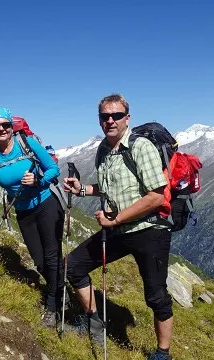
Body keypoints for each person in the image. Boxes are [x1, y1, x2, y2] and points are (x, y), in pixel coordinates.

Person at [63, 94, 174, 360]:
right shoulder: (103, 149)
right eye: (105, 116)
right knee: (74, 265)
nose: (110, 120)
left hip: (149, 231)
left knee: (156, 296)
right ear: (100, 119)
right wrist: (83, 190)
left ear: (127, 118)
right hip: (119, 228)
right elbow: (110, 188)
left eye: (116, 115)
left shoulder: (141, 147)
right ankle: (94, 323)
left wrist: (117, 218)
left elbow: (156, 196)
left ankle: (163, 353)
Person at [0, 107, 65, 328]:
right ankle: (61, 289)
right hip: (23, 210)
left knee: (52, 255)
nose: (1, 129)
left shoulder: (26, 143)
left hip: (46, 202)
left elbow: (54, 169)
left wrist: (38, 181)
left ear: (11, 127)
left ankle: (53, 304)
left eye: (5, 125)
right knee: (39, 259)